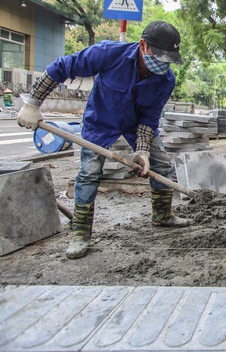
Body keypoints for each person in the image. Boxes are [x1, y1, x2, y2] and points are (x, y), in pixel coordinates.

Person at [16, 20, 191, 260]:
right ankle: (80, 234)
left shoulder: (165, 80)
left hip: (135, 124)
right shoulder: (108, 54)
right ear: (143, 45)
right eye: (159, 55)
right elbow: (61, 67)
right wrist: (33, 103)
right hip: (101, 120)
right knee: (89, 172)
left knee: (160, 163)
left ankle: (162, 215)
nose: (163, 63)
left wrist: (142, 152)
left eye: (168, 58)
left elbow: (149, 118)